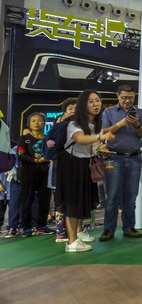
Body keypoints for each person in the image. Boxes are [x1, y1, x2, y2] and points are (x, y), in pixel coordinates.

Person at [57, 90, 114, 252]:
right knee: (72, 203)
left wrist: (101, 148)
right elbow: (80, 139)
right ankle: (71, 242)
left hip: (85, 164)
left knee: (81, 201)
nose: (96, 104)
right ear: (83, 104)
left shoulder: (97, 123)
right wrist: (100, 138)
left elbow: (92, 144)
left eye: (98, 100)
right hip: (71, 165)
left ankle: (77, 235)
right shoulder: (74, 123)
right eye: (91, 101)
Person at [99, 84, 142, 242]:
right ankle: (108, 228)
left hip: (134, 157)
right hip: (114, 157)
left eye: (131, 97)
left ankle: (129, 227)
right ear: (117, 96)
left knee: (131, 196)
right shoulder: (108, 112)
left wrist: (136, 125)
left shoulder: (139, 113)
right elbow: (105, 133)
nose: (127, 100)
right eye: (124, 97)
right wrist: (121, 124)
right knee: (111, 195)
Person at [17, 112, 54, 237]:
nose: (36, 123)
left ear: (44, 123)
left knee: (45, 200)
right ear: (29, 123)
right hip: (28, 173)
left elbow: (53, 153)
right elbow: (21, 154)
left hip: (45, 173)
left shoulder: (48, 139)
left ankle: (41, 225)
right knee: (27, 200)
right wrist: (35, 160)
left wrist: (47, 158)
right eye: (33, 121)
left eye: (39, 120)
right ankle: (26, 227)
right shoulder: (24, 138)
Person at [52, 97, 77, 243]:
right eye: (70, 109)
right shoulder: (62, 126)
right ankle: (61, 232)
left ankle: (71, 230)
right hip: (61, 168)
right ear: (65, 112)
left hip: (74, 167)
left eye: (76, 109)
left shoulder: (79, 125)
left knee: (71, 199)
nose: (73, 111)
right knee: (61, 199)